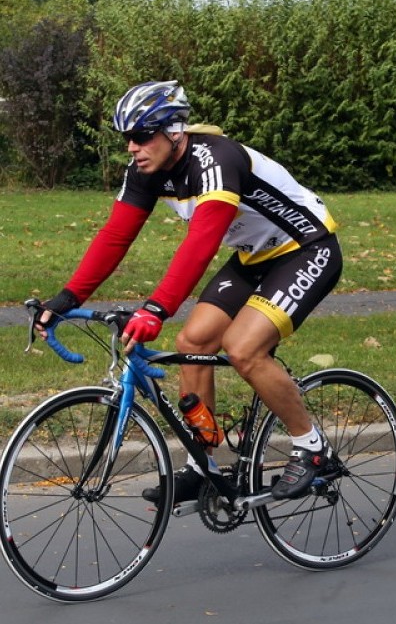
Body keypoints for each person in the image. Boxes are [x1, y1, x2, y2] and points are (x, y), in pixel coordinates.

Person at [36, 80, 343, 503]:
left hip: (307, 249)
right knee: (193, 340)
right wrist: (67, 298)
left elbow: (200, 243)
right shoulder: (146, 170)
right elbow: (115, 237)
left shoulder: (215, 160)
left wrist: (155, 309)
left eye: (142, 135)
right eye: (127, 138)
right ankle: (203, 464)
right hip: (255, 258)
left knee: (242, 348)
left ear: (174, 131)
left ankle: (312, 448)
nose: (132, 147)